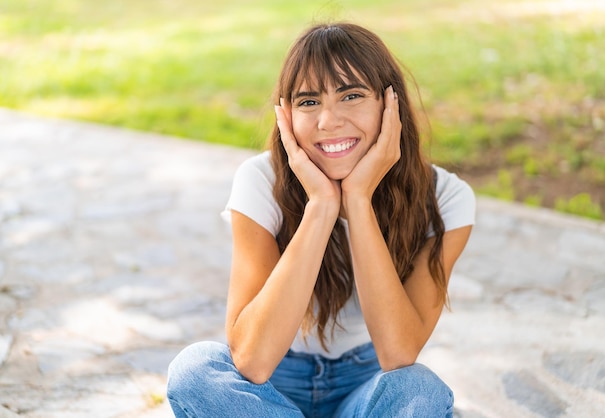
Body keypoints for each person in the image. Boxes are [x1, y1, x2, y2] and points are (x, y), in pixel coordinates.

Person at [167, 22, 475, 418]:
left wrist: (359, 199)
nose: (328, 121)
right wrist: (321, 205)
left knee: (420, 391)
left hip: (366, 382)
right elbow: (252, 360)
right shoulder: (261, 182)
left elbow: (399, 354)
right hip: (273, 384)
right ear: (286, 115)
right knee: (195, 372)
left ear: (390, 103)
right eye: (309, 102)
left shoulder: (447, 199)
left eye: (351, 95)